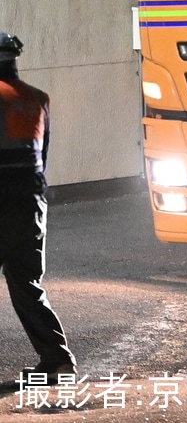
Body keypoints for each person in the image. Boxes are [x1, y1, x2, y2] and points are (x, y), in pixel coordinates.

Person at [0, 32, 77, 394]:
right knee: (27, 283)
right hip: (28, 203)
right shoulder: (37, 99)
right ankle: (56, 360)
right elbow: (41, 159)